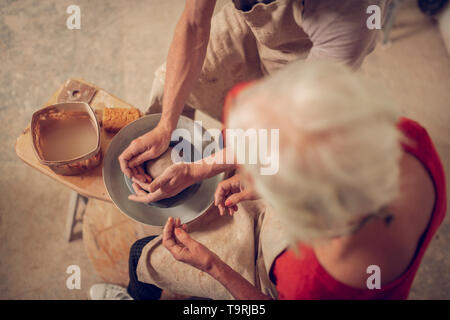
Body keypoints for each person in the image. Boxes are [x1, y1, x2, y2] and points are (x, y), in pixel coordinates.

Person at [90, 60, 446, 300]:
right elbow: (290, 140)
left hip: (280, 277)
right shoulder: (408, 140)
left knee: (141, 254)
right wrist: (199, 170)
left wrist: (211, 264)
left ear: (301, 210)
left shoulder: (311, 284)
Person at [118, 0, 391, 185]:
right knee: (168, 86)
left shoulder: (351, 13)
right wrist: (166, 125)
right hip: (253, 22)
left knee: (278, 167)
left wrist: (198, 169)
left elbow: (288, 127)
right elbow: (193, 24)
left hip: (307, 51)